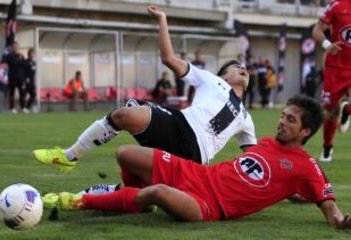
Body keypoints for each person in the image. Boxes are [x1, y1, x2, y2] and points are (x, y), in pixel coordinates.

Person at [43, 96, 351, 229]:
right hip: (196, 174)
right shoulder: (268, 144)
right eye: (283, 115)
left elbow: (330, 210)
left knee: (158, 191)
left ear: (306, 131)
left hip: (208, 205)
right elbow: (264, 179)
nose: (281, 122)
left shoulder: (307, 167)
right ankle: (133, 201)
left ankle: (78, 202)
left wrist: (341, 223)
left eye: (290, 120)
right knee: (125, 154)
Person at [33, 5, 256, 174]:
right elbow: (169, 58)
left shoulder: (246, 119)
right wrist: (162, 19)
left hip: (196, 159)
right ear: (223, 76)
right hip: (180, 126)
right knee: (125, 114)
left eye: (244, 68)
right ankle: (69, 156)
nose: (242, 69)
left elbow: (254, 160)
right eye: (236, 67)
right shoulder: (211, 80)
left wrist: (287, 186)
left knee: (143, 189)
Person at [312, 0, 351, 162]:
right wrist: (328, 45)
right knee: (331, 111)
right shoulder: (337, 6)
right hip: (336, 67)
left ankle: (347, 111)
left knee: (341, 108)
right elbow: (317, 30)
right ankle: (327, 148)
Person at [5, 41, 26, 114]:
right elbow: (13, 63)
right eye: (14, 47)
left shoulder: (21, 55)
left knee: (22, 93)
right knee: (12, 93)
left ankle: (22, 107)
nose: (16, 48)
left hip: (21, 78)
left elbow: (24, 64)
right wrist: (18, 60)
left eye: (17, 46)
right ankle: (12, 108)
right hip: (12, 77)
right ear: (12, 48)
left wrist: (24, 77)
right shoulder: (9, 56)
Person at [24, 48, 37, 113]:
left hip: (32, 81)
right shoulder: (26, 62)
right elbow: (24, 71)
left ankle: (27, 108)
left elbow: (34, 72)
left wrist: (34, 80)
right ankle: (23, 107)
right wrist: (26, 78)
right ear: (29, 54)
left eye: (33, 53)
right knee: (24, 94)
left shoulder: (34, 63)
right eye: (31, 53)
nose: (33, 54)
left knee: (33, 94)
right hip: (26, 81)